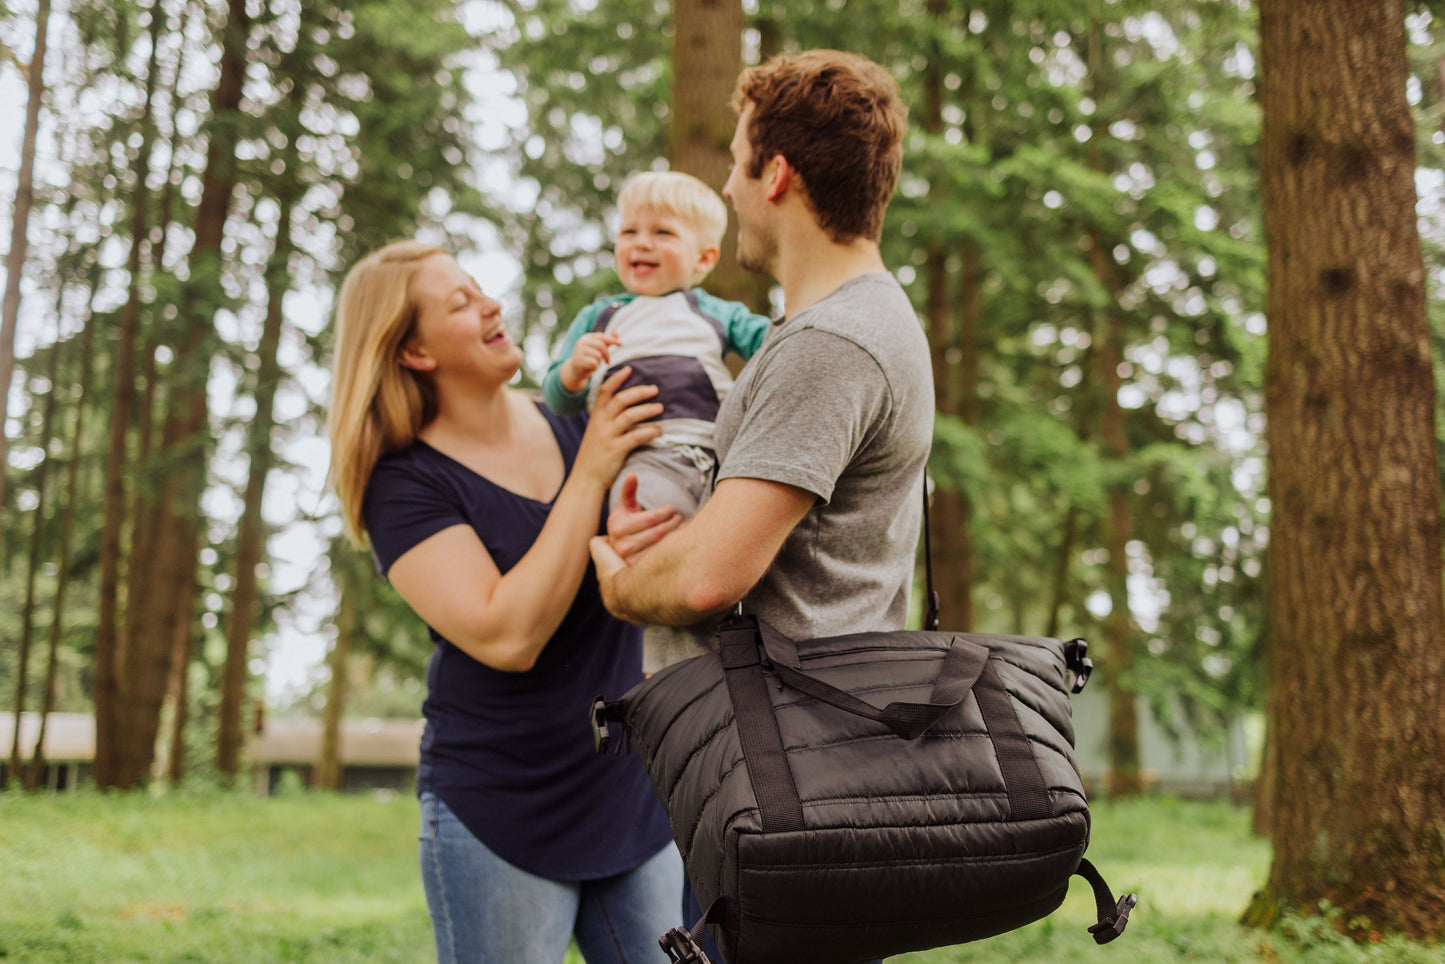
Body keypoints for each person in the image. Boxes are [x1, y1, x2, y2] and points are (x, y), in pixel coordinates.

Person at [589, 50, 931, 964]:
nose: (729, 190)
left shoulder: (834, 342)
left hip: (781, 782)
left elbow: (709, 575)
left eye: (736, 164)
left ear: (774, 174)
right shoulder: (837, 327)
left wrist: (622, 580)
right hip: (781, 776)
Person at [326, 240, 684, 964]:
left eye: (479, 287)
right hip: (503, 806)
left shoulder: (577, 421)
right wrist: (590, 477)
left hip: (629, 792)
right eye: (458, 303)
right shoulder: (404, 483)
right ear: (415, 353)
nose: (490, 303)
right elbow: (504, 635)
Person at [541, 170, 771, 672]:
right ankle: (667, 673)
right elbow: (556, 397)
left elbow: (775, 342)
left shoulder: (711, 311)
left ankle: (742, 653)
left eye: (662, 233)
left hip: (718, 457)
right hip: (646, 460)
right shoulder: (601, 317)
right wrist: (575, 369)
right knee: (652, 549)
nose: (641, 243)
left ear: (704, 258)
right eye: (629, 232)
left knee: (730, 554)